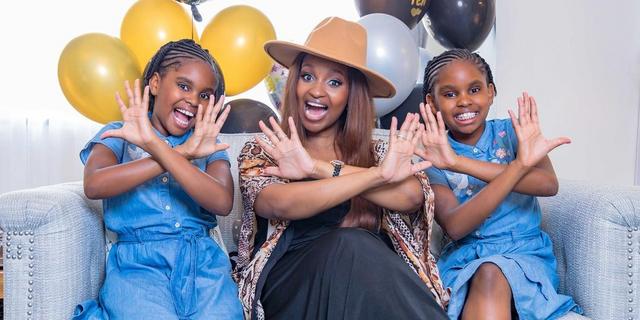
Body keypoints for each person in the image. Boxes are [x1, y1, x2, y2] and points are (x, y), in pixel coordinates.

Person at [233, 17, 450, 320]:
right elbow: (279, 203)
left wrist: (316, 167)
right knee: (351, 244)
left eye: (334, 82)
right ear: (294, 82)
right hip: (292, 286)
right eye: (307, 76)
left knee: (360, 252)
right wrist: (376, 176)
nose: (317, 91)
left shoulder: (378, 151)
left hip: (367, 285)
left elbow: (412, 197)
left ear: (352, 95)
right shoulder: (267, 147)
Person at [73, 39, 243, 320]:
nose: (193, 99)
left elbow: (222, 202)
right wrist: (179, 154)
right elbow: (94, 185)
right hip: (138, 267)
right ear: (154, 83)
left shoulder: (208, 144)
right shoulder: (120, 133)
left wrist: (160, 147)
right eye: (184, 86)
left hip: (202, 265)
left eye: (205, 95)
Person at [416, 48, 582, 319]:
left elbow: (548, 185)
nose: (464, 101)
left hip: (525, 254)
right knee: (488, 271)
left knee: (493, 271)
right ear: (431, 102)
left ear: (491, 92)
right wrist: (517, 168)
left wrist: (458, 163)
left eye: (474, 89)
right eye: (449, 94)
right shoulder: (433, 156)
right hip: (467, 260)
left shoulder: (512, 133)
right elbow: (456, 227)